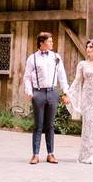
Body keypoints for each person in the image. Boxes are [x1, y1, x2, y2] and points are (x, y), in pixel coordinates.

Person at [22, 32, 69, 164]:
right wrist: (30, 91)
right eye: (50, 41)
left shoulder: (56, 57)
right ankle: (35, 155)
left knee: (50, 125)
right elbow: (26, 77)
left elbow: (62, 76)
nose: (52, 43)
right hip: (38, 94)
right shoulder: (32, 58)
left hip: (53, 92)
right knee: (38, 125)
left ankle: (51, 154)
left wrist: (65, 92)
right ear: (42, 43)